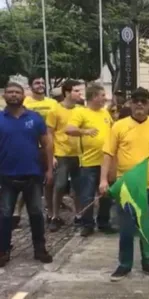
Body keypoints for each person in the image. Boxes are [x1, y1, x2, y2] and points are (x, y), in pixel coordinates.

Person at [99, 87, 149, 281]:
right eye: (136, 100)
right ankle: (124, 264)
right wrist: (103, 179)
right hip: (126, 185)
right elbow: (108, 153)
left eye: (144, 100)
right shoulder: (119, 126)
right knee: (126, 228)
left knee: (148, 227)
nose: (140, 104)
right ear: (131, 103)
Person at [0, 82, 54, 266]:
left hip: (33, 174)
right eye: (10, 92)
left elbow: (47, 144)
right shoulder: (0, 118)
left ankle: (40, 249)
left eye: (17, 92)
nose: (13, 95)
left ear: (23, 95)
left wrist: (49, 169)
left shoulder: (35, 118)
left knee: (36, 214)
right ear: (4, 96)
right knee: (5, 215)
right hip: (6, 175)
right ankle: (3, 250)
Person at [66, 83, 115, 237]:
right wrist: (85, 131)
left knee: (107, 194)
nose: (105, 98)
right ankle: (87, 224)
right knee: (87, 195)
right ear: (94, 97)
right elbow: (69, 129)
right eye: (102, 95)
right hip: (88, 162)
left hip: (106, 162)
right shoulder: (81, 113)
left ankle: (103, 222)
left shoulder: (105, 113)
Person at [12, 77, 58, 229]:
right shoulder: (25, 103)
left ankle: (51, 214)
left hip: (48, 147)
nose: (41, 85)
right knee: (25, 180)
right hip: (29, 147)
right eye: (37, 83)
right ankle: (17, 213)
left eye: (43, 83)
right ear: (30, 86)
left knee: (49, 182)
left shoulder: (53, 103)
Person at [45, 80, 82, 232]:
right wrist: (52, 155)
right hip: (61, 153)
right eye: (77, 91)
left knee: (78, 186)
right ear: (67, 92)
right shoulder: (55, 110)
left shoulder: (81, 110)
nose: (80, 94)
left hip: (78, 154)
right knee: (59, 185)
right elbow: (49, 134)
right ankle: (54, 216)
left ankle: (79, 215)